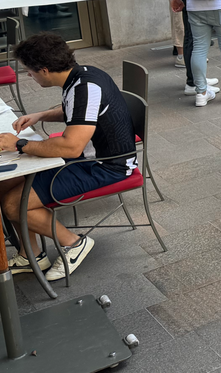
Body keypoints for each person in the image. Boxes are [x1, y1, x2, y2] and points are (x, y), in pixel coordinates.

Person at [0, 34, 136, 280]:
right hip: (88, 157)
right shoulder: (82, 74)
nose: (29, 76)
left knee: (13, 204)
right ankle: (32, 255)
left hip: (103, 166)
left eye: (30, 72)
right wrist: (40, 115)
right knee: (6, 182)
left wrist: (19, 144)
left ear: (44, 70)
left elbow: (71, 148)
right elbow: (77, 111)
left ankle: (74, 243)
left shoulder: (85, 87)